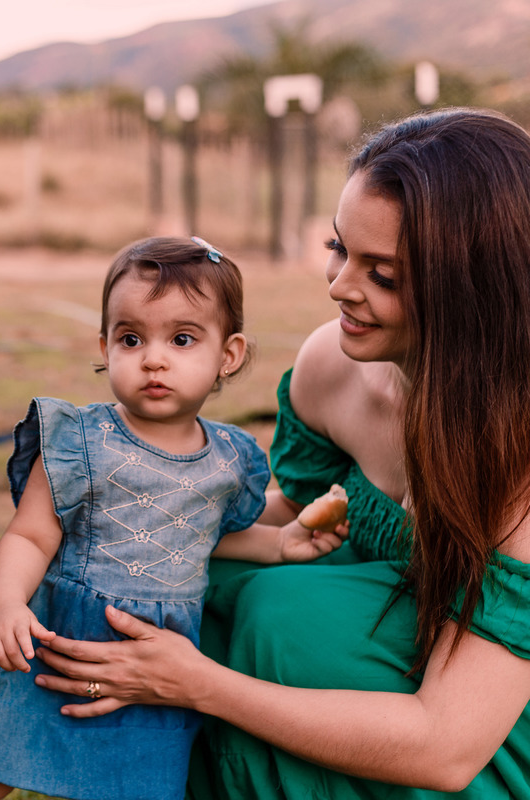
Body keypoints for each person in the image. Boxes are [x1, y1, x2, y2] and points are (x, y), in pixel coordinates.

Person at [33, 107, 530, 799]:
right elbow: (289, 514)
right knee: (186, 575)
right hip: (360, 634)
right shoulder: (333, 363)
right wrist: (124, 517)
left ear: (470, 289)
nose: (339, 287)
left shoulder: (519, 453)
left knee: (281, 620)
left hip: (477, 728)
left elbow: (446, 746)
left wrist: (202, 685)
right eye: (340, 249)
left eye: (382, 274)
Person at [0, 236, 346, 800]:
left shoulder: (230, 459)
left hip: (156, 663)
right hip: (50, 642)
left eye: (182, 339)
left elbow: (201, 539)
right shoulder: (78, 440)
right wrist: (6, 604)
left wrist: (281, 544)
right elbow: (32, 534)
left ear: (229, 354)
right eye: (131, 338)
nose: (153, 358)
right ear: (105, 345)